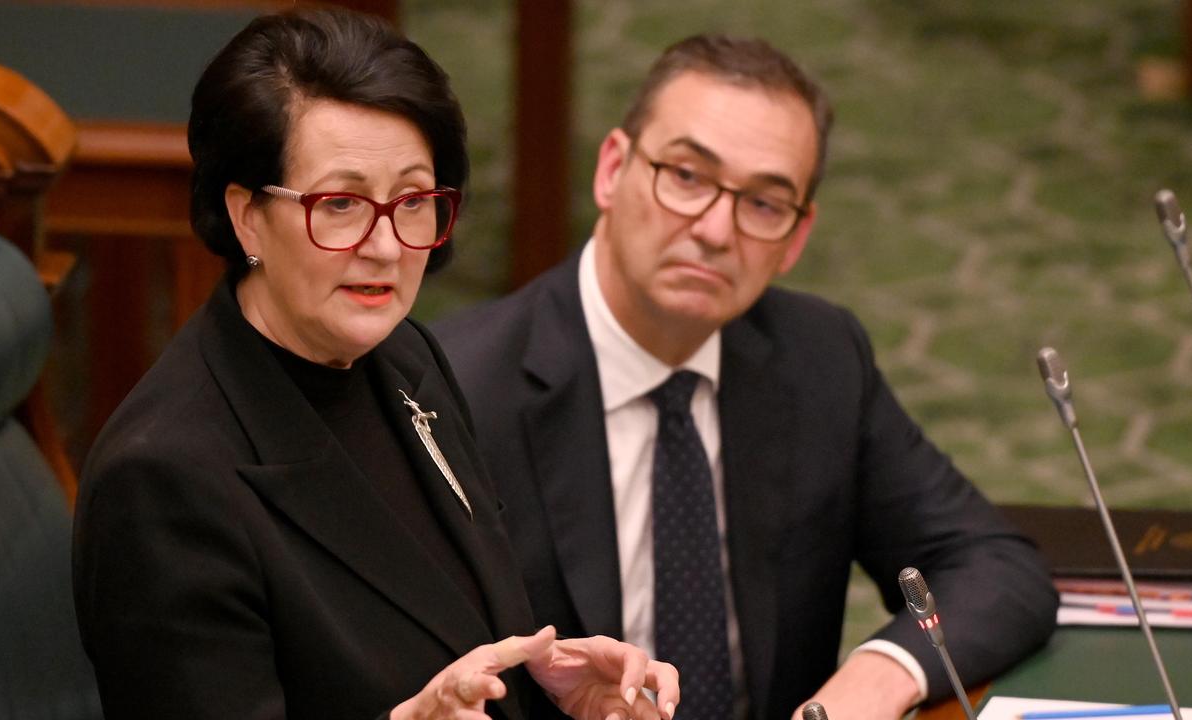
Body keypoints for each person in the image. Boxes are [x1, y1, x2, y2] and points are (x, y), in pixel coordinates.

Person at [71, 9, 680, 720]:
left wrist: (550, 685)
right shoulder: (164, 481)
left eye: (414, 201)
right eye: (340, 204)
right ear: (247, 217)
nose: (387, 247)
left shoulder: (403, 356)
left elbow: (452, 628)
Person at [433, 33, 1058, 720]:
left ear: (796, 238)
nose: (714, 230)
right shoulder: (457, 390)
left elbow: (995, 568)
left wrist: (876, 678)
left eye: (763, 204)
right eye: (688, 177)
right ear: (612, 169)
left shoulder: (819, 357)